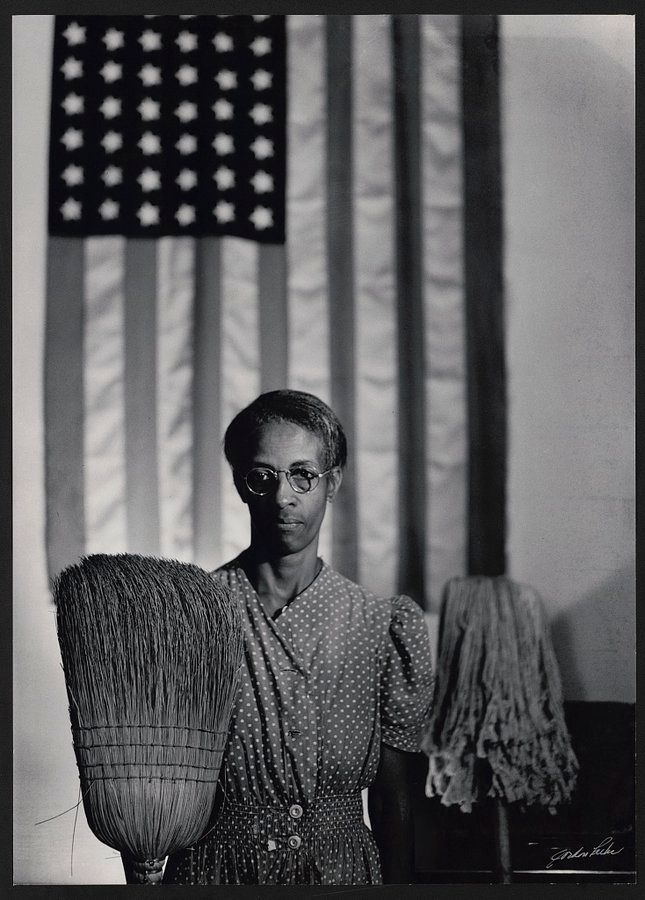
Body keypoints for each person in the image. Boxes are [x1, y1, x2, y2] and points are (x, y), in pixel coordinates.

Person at [162, 389, 434, 885]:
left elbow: (394, 800)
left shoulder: (378, 625)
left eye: (303, 475)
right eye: (262, 477)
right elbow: (160, 784)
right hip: (219, 873)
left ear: (333, 483)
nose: (282, 497)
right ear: (241, 485)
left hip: (343, 873)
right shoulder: (194, 615)